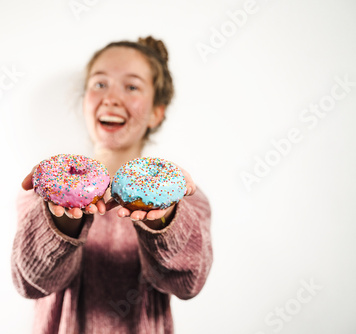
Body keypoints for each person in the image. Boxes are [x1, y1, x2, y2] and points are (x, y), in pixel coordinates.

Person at [11, 36, 213, 334]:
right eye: (99, 84)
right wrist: (60, 220)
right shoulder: (42, 192)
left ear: (157, 111)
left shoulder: (183, 198)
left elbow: (187, 284)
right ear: (84, 103)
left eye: (131, 86)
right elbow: (32, 283)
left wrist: (166, 220)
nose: (111, 98)